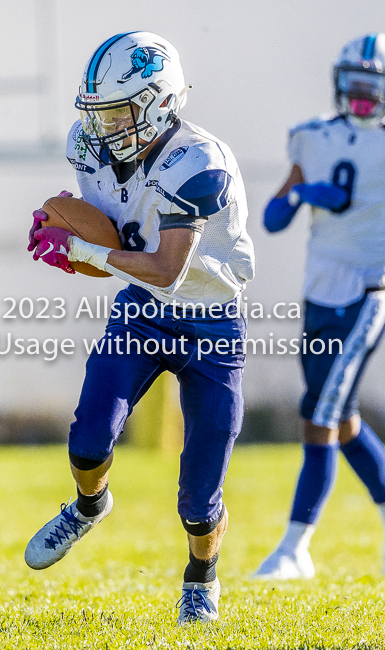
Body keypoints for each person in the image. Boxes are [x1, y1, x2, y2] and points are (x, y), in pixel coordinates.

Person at [25, 32, 255, 623]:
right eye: (99, 112)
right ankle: (88, 506)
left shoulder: (199, 162)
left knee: (200, 502)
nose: (105, 126)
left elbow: (166, 268)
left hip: (211, 325)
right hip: (142, 311)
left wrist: (80, 247)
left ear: (160, 102)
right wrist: (67, 241)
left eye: (119, 111)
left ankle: (201, 579)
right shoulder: (90, 144)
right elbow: (114, 235)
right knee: (87, 440)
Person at [253, 33, 385, 580]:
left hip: (367, 293)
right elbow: (273, 217)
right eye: (354, 85)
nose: (361, 97)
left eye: (371, 88)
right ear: (338, 83)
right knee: (342, 418)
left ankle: (293, 548)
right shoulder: (311, 138)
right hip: (319, 293)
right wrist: (298, 196)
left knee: (318, 416)